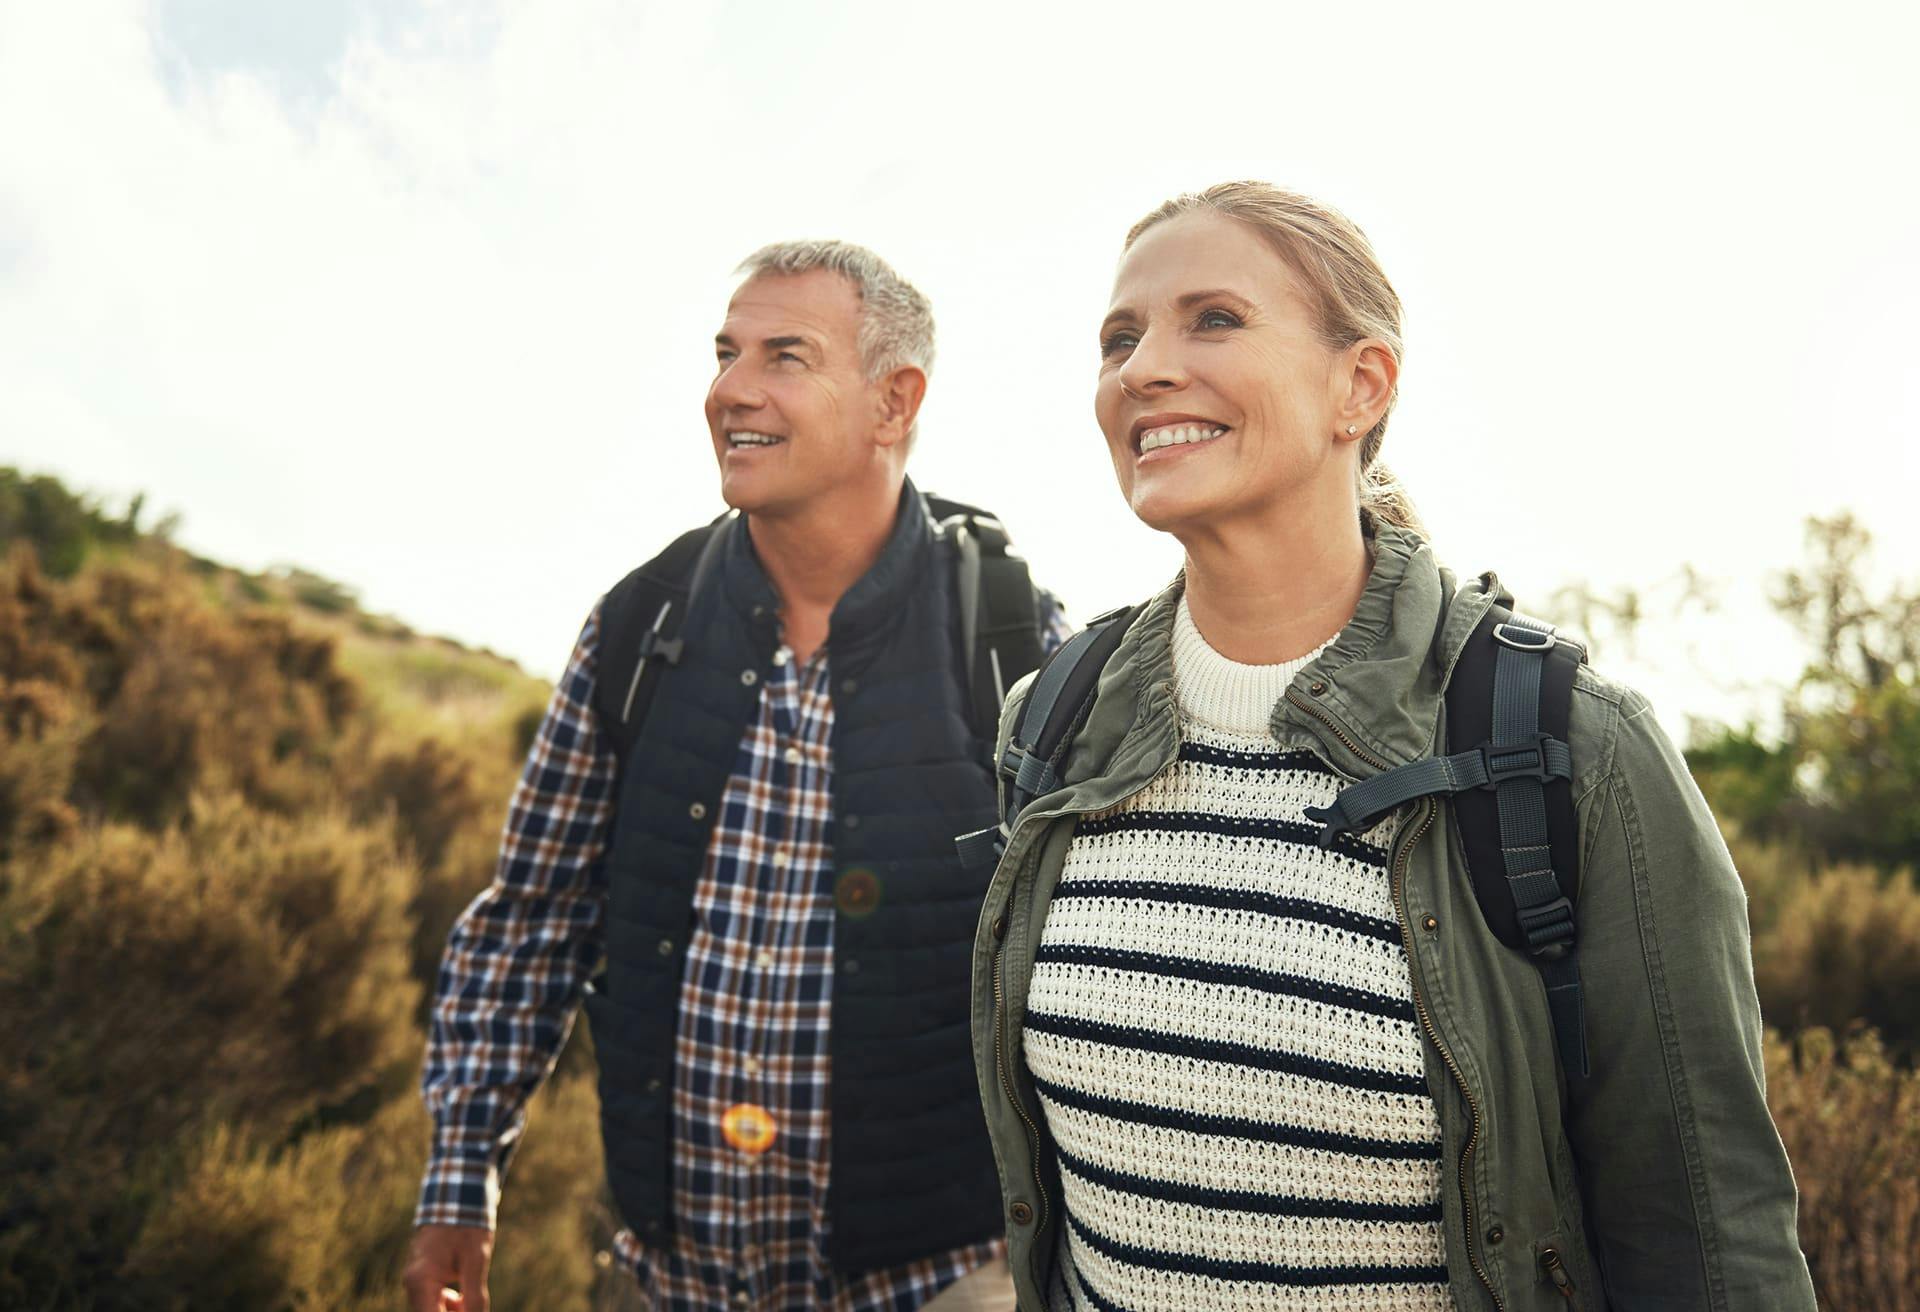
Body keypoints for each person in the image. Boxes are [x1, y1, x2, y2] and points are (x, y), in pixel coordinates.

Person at [968, 182, 1816, 1310]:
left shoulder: (1571, 746)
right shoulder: (1054, 719)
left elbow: (1714, 1245)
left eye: (1211, 319)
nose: (1142, 368)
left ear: (1359, 386)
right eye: (1120, 337)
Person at [405, 240, 1065, 1312]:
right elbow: (530, 922)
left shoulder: (1011, 637)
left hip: (944, 1281)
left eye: (785, 356)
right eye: (725, 352)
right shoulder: (638, 625)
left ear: (894, 401)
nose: (729, 390)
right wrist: (459, 1177)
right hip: (669, 1282)